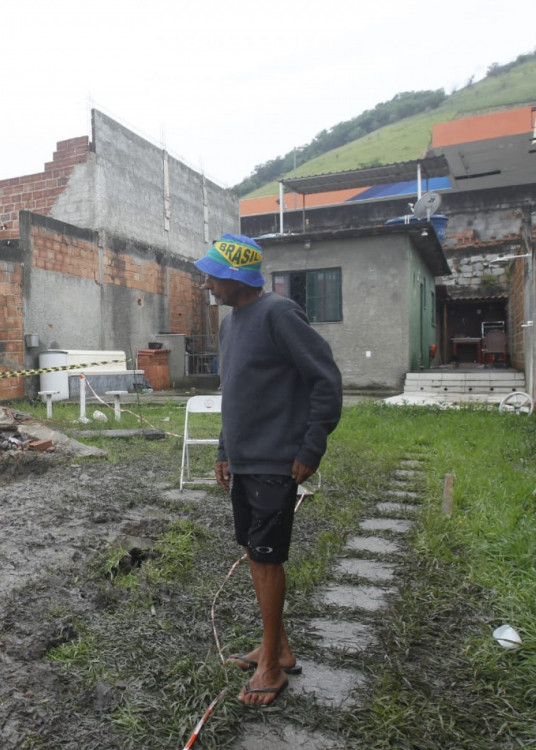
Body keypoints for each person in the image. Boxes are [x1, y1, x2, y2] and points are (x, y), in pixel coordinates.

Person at [195, 233, 342, 706]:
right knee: (255, 554)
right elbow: (235, 391)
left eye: (213, 276)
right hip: (245, 458)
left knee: (266, 556)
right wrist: (224, 449)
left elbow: (326, 380)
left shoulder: (279, 314)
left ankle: (271, 670)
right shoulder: (231, 323)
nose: (207, 284)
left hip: (277, 460)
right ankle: (276, 647)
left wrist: (311, 445)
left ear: (237, 277)